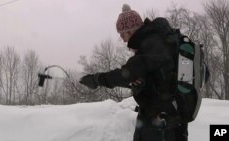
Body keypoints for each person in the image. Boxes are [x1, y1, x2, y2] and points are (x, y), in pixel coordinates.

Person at [80, 4, 188, 141]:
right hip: (170, 118)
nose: (123, 39)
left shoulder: (151, 45)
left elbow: (126, 74)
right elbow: (157, 78)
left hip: (161, 124)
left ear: (131, 31)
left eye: (122, 34)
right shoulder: (158, 42)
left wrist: (97, 79)